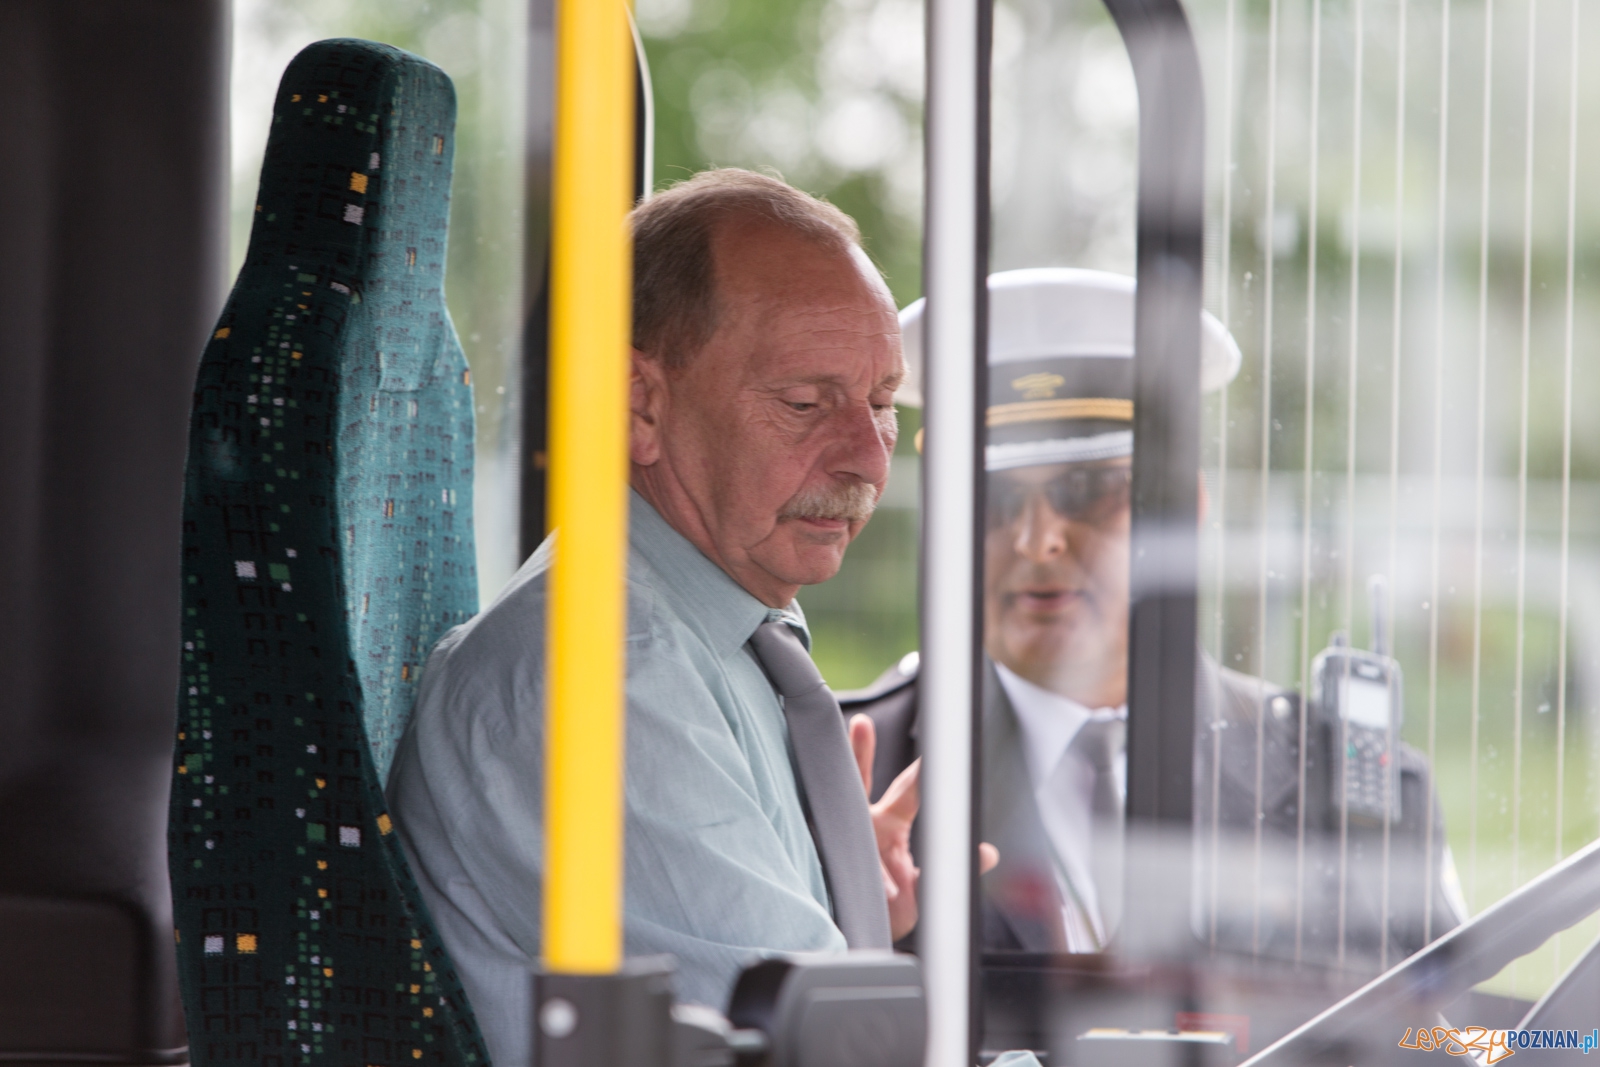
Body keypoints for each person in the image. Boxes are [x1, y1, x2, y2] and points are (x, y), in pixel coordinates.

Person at [386, 169, 934, 1063]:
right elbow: (838, 1055)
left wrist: (835, 891)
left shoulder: (706, 629)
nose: (869, 458)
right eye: (805, 403)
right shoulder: (605, 674)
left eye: (881, 404)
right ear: (640, 404)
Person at [846, 268, 1466, 969]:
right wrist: (847, 933)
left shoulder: (1337, 781)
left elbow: (1453, 1039)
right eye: (992, 500)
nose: (1037, 540)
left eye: (1086, 492)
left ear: (1185, 508)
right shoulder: (846, 779)